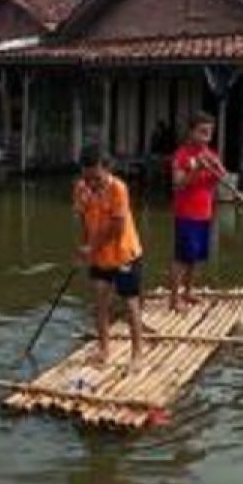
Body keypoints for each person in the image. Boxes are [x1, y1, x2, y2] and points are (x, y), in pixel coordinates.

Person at [73, 146, 144, 372]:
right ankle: (104, 348)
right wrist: (85, 248)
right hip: (99, 256)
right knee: (100, 301)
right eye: (86, 177)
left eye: (96, 177)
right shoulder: (81, 188)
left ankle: (137, 354)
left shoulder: (118, 189)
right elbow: (84, 221)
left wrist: (91, 246)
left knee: (130, 303)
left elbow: (117, 227)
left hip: (124, 254)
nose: (91, 182)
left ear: (107, 169)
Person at [169, 112, 225, 312]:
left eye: (209, 132)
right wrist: (195, 169)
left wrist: (217, 167)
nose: (206, 136)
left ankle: (188, 292)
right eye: (202, 132)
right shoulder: (182, 155)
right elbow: (177, 184)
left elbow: (220, 178)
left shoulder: (210, 155)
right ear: (191, 132)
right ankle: (175, 299)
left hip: (205, 213)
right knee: (182, 257)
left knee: (197, 257)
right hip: (186, 214)